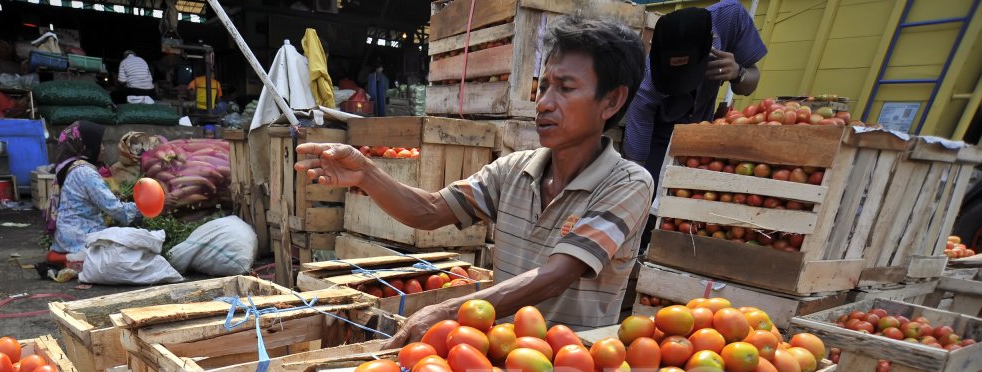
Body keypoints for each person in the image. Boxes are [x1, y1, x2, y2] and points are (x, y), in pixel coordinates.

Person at [295, 15, 652, 341]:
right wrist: (368, 174)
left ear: (611, 101)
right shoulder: (514, 171)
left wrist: (449, 310)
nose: (544, 102)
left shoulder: (627, 183)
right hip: (496, 361)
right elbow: (430, 211)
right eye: (543, 87)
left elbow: (557, 274)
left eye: (566, 88)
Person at [623, 1, 767, 184]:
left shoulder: (730, 18)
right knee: (649, 186)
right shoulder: (647, 83)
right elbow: (636, 159)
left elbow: (749, 85)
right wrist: (637, 186)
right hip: (660, 134)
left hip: (702, 133)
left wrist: (739, 73)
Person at [49, 121, 140, 263]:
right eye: (100, 143)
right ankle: (69, 258)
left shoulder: (74, 167)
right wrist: (144, 209)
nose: (103, 148)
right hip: (79, 236)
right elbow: (116, 209)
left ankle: (67, 257)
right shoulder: (86, 172)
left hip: (67, 234)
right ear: (88, 146)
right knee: (133, 248)